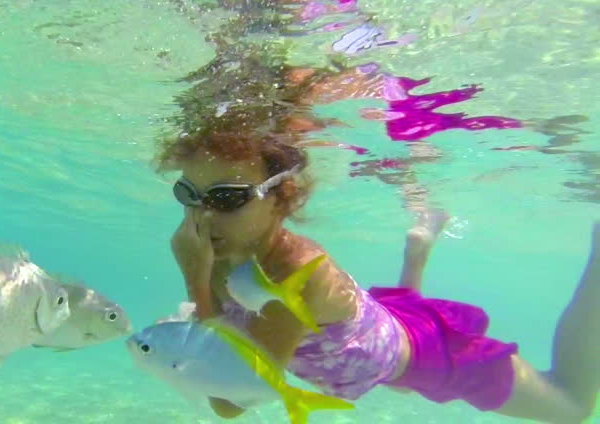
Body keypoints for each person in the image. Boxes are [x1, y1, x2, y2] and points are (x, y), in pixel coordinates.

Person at [154, 110, 599, 422]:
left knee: (572, 406)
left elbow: (229, 401)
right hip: (382, 330)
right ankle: (417, 251)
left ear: (281, 198)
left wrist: (195, 280)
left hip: (437, 357)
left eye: (226, 197)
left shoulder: (290, 277)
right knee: (392, 371)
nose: (201, 215)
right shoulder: (223, 248)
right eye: (187, 195)